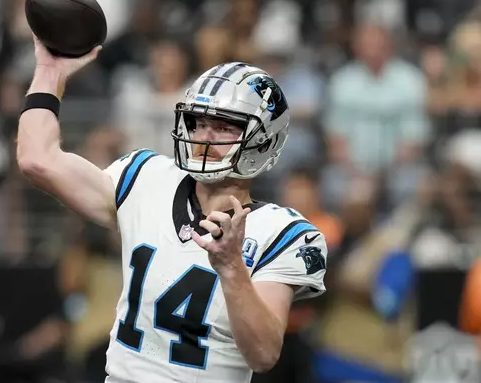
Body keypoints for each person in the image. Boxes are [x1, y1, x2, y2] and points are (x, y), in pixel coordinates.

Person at [17, 37, 328, 383]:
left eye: (224, 126)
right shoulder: (146, 177)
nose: (204, 137)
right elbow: (37, 161)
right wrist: (49, 72)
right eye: (199, 122)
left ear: (264, 140)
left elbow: (263, 353)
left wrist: (231, 268)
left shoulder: (284, 233)